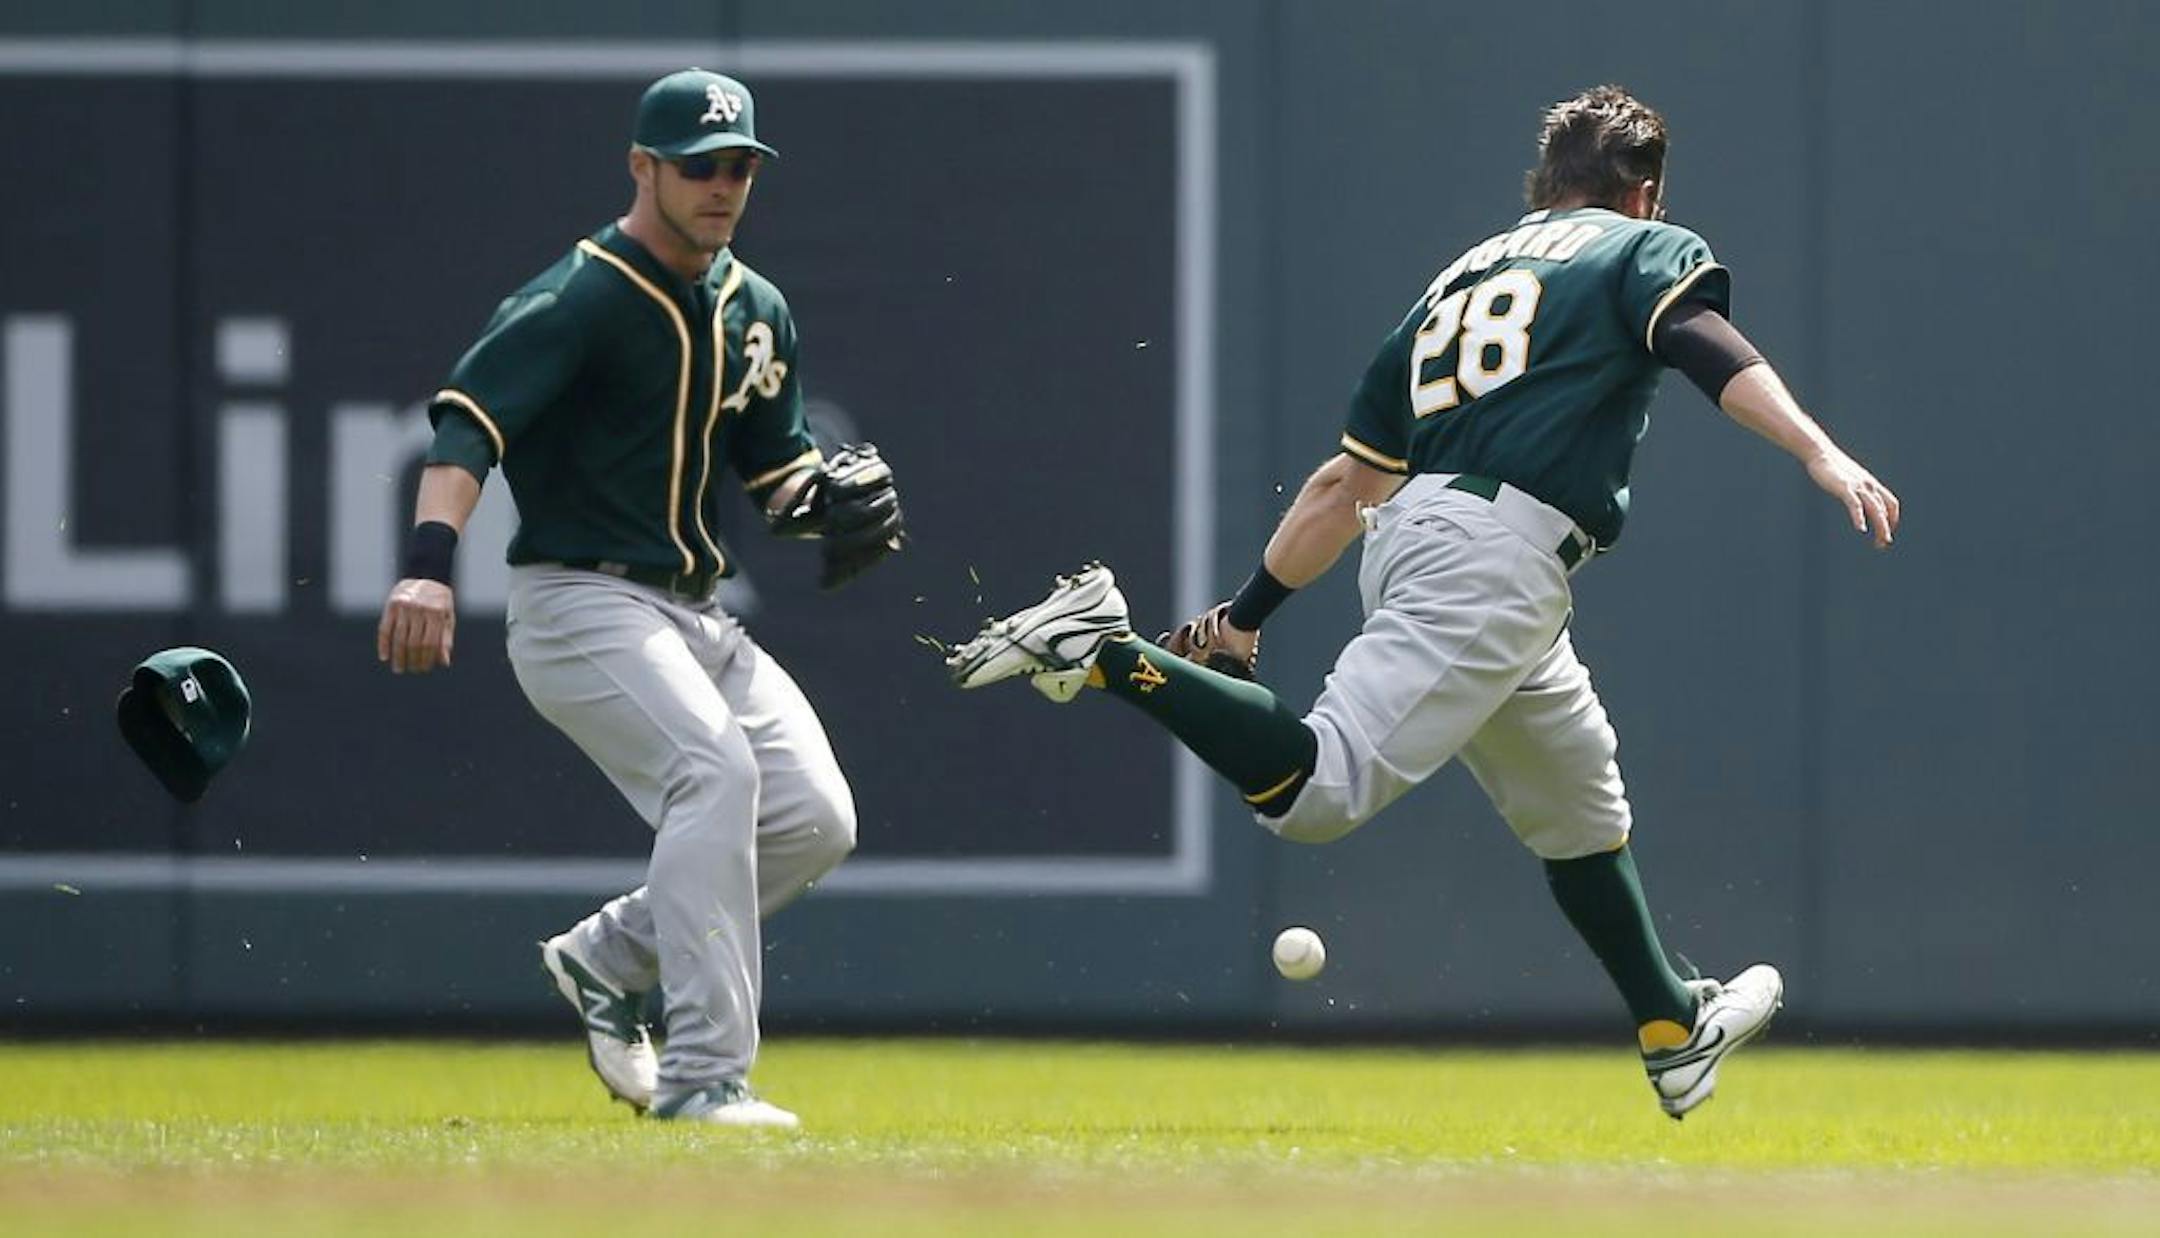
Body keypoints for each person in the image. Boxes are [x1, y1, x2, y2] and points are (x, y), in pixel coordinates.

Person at [947, 85, 1898, 1119]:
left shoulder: (1452, 283)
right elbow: (1704, 342)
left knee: (1578, 801)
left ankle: (1672, 1026)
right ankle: (1101, 647)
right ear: (1644, 190)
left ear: (1545, 182)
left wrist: (1247, 612)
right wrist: (1818, 447)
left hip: (1425, 541)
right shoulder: (1636, 247)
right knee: (1314, 794)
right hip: (1496, 558)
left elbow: (1340, 487)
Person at [377, 68, 904, 1128]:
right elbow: (467, 425)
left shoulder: (757, 308)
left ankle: (609, 957)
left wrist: (825, 505)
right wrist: (431, 561)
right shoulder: (579, 294)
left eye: (739, 166)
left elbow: (777, 475)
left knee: (813, 817)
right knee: (714, 770)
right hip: (578, 601)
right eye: (699, 165)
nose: (721, 185)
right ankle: (708, 1078)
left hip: (696, 612)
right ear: (642, 167)